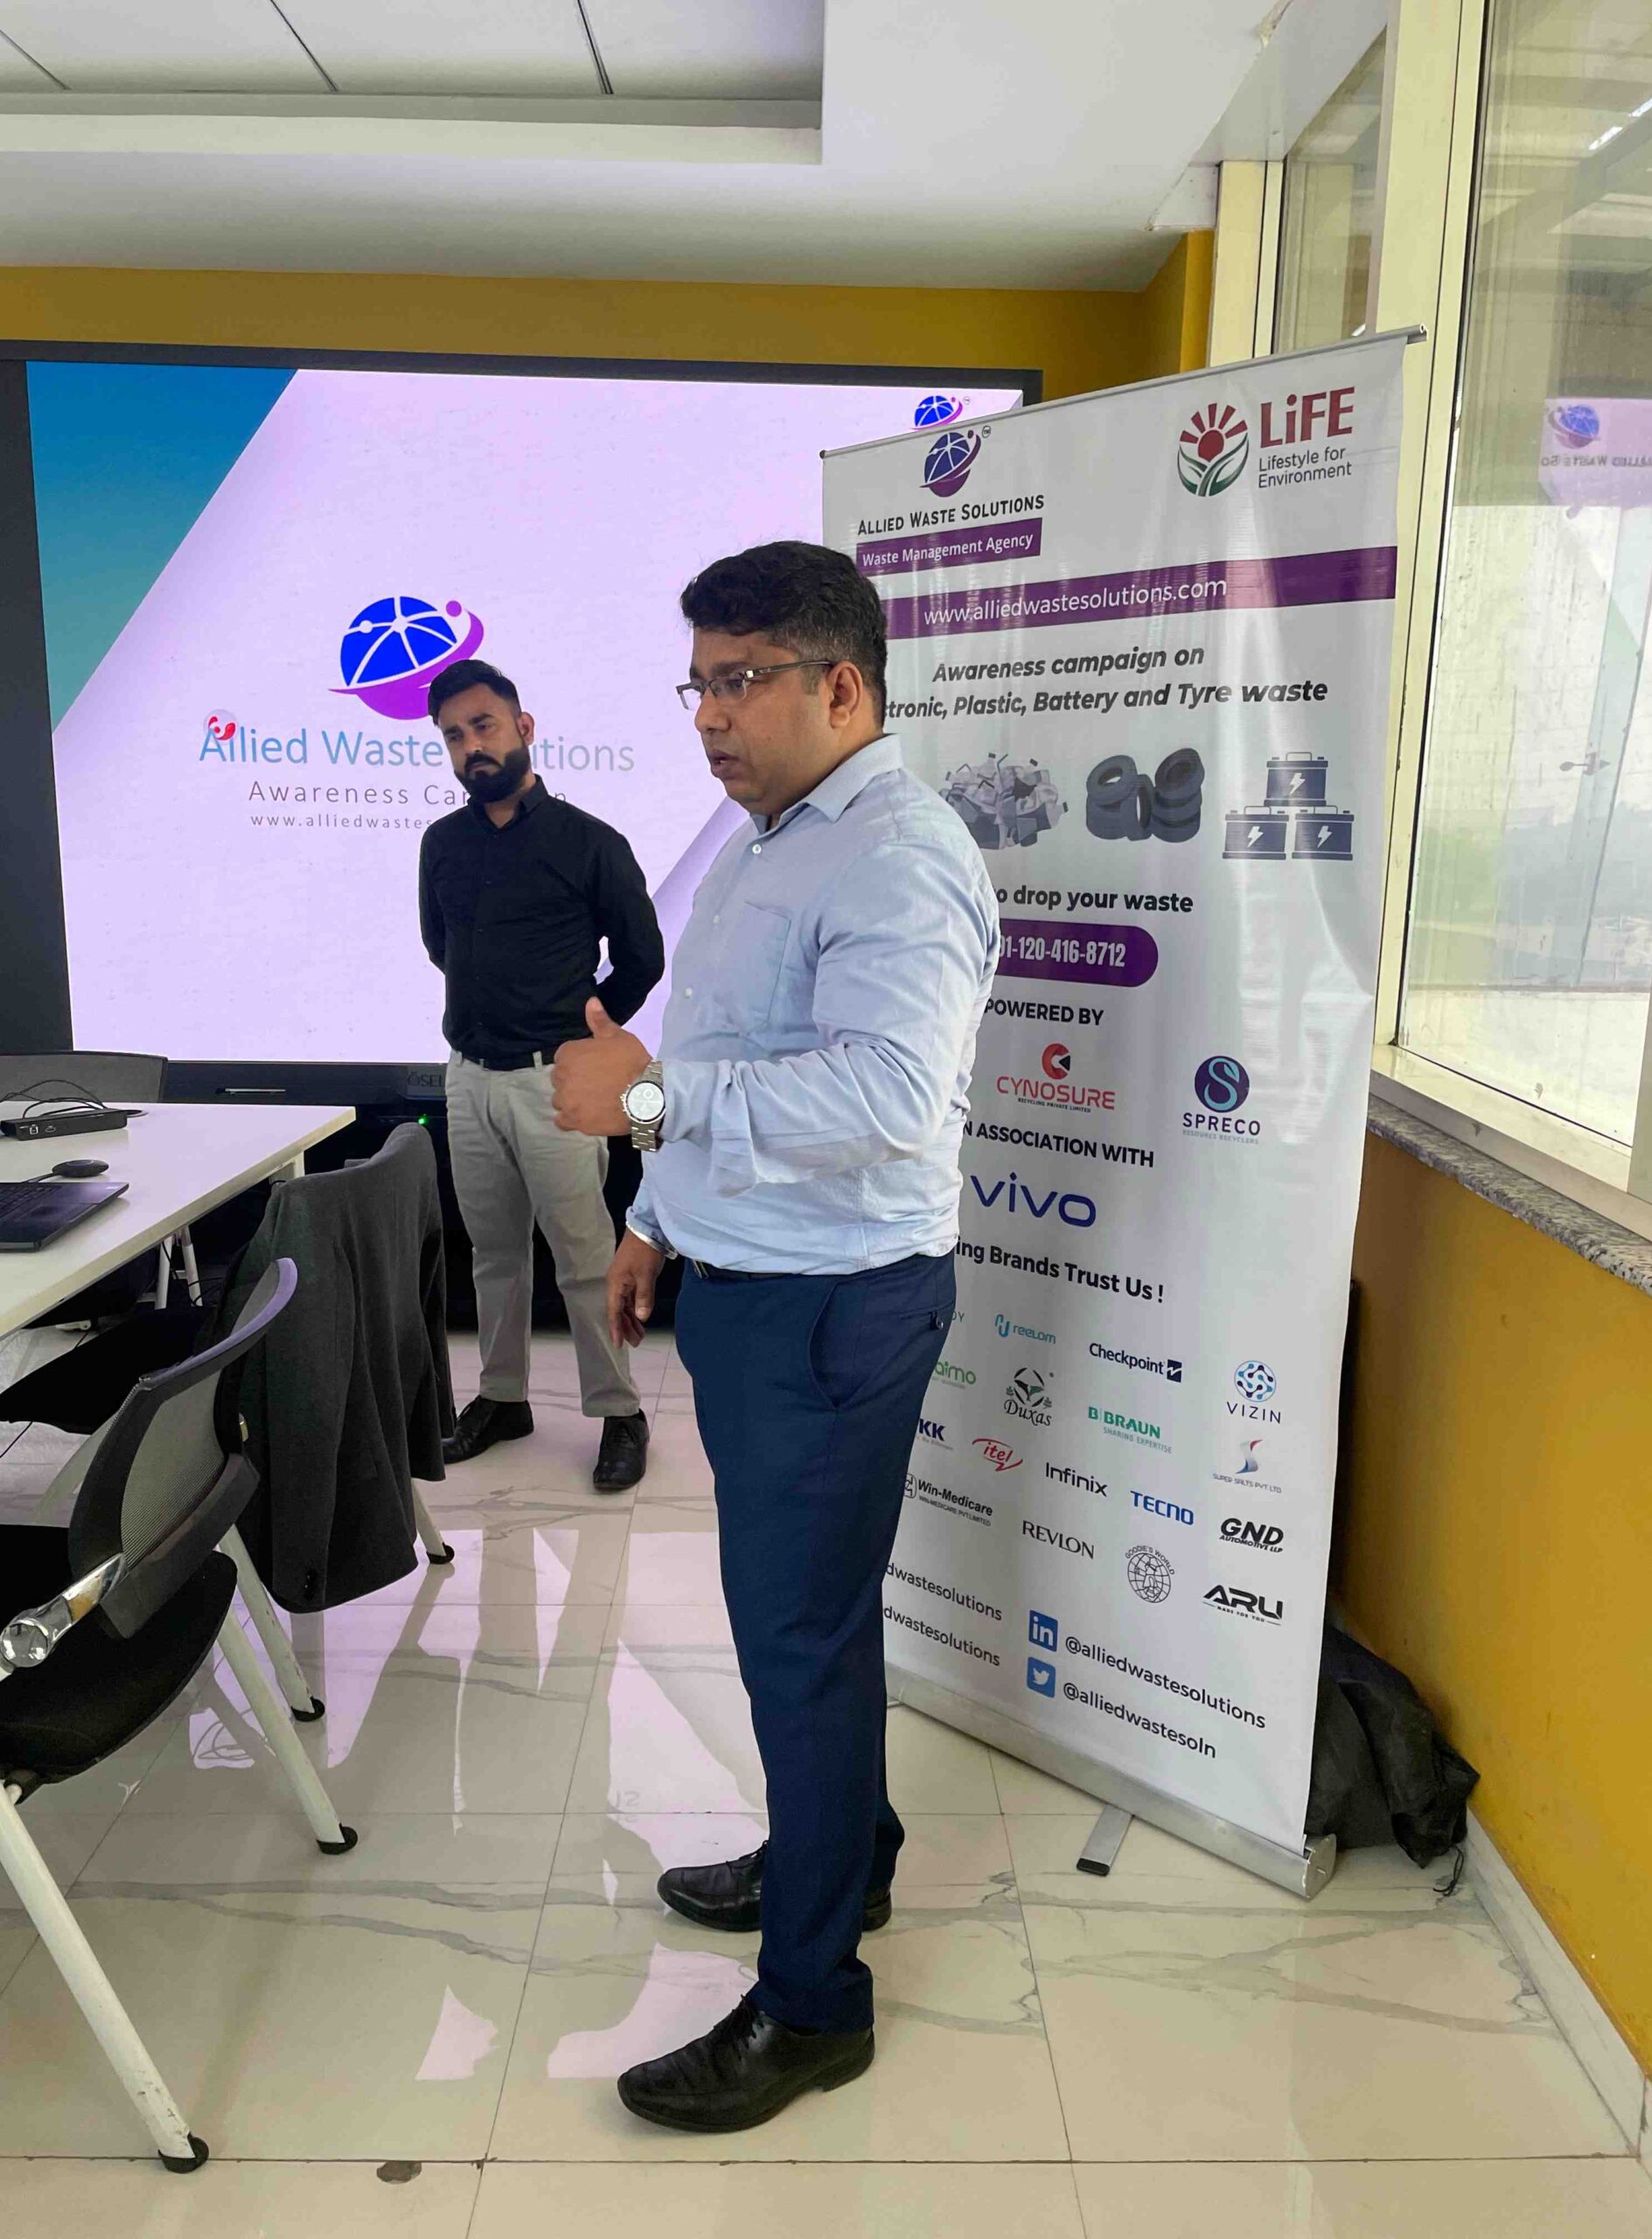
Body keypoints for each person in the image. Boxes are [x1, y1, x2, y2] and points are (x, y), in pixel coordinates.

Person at [550, 541, 1000, 2129]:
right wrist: (657, 1218)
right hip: (753, 1286)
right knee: (814, 1623)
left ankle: (814, 2008)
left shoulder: (897, 856)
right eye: (697, 684)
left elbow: (889, 1099)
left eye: (740, 681)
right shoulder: (770, 840)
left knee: (795, 1642)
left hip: (829, 1308)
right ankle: (844, 1856)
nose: (709, 716)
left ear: (843, 686)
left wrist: (648, 1103)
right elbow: (736, 1046)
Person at [420, 657, 661, 1493]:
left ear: (523, 728)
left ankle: (620, 1411)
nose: (471, 746)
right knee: (492, 1255)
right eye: (454, 735)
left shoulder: (589, 842)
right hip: (469, 1078)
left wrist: (581, 1034)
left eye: (484, 726)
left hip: (552, 1083)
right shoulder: (441, 844)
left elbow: (642, 958)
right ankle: (501, 1398)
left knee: (585, 1257)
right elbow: (441, 947)